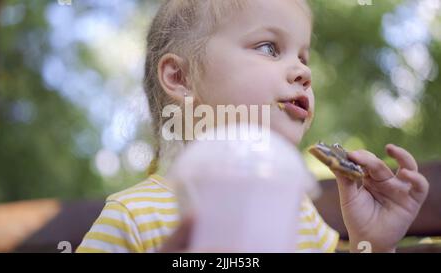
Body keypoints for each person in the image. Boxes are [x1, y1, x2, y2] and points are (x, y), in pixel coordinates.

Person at [76, 0, 429, 253]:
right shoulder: (132, 218)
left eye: (303, 57)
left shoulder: (298, 212)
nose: (304, 72)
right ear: (180, 77)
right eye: (269, 47)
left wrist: (373, 243)